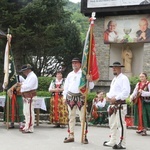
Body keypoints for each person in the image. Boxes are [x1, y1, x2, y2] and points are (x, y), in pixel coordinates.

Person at [63, 57, 94, 144]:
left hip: (81, 97)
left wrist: (90, 80)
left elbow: (91, 87)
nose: (74, 64)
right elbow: (66, 87)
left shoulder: (84, 74)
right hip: (70, 97)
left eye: (76, 63)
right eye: (73, 63)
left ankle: (84, 136)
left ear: (80, 64)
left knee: (82, 118)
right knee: (71, 117)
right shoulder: (70, 74)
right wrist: (64, 97)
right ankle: (71, 135)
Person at [103, 61, 130, 149]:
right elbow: (112, 92)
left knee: (120, 124)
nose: (114, 69)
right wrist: (108, 96)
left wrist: (116, 97)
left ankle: (122, 143)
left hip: (120, 105)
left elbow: (126, 92)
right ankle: (112, 140)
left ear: (120, 68)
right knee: (112, 124)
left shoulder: (124, 78)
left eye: (115, 67)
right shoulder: (114, 79)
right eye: (113, 67)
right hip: (113, 105)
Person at [17, 64, 38, 133]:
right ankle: (27, 125)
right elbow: (26, 85)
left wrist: (21, 85)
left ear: (27, 70)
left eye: (24, 71)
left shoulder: (32, 77)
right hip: (27, 96)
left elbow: (29, 87)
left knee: (29, 112)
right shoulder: (29, 76)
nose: (23, 72)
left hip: (30, 95)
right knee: (26, 112)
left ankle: (29, 127)